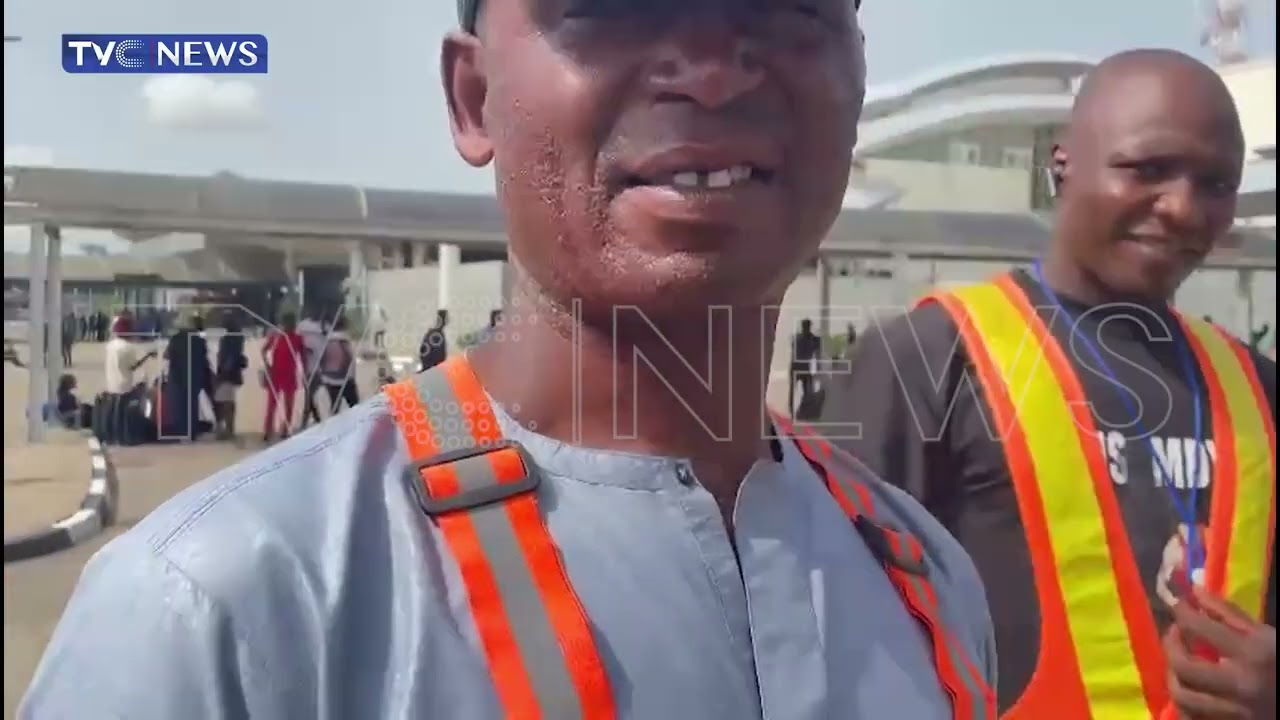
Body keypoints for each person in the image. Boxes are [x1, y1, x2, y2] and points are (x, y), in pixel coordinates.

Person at [22, 2, 998, 718]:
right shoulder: (230, 603)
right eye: (613, 7)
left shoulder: (925, 585)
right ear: (472, 96)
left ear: (856, 77)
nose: (709, 66)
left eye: (783, 3)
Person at [821, 49, 1276, 718]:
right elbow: (822, 625)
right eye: (1147, 169)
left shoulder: (1256, 388)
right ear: (1061, 162)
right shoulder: (930, 358)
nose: (1182, 207)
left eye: (1214, 184)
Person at [261, 312, 305, 442]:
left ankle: (284, 428)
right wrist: (267, 365)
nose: (290, 326)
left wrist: (305, 372)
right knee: (272, 404)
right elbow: (264, 350)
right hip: (277, 373)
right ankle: (269, 430)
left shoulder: (297, 338)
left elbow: (302, 357)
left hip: (288, 374)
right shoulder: (277, 336)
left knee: (287, 404)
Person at [213, 317, 248, 440]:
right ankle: (230, 429)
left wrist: (222, 373)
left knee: (226, 402)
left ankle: (229, 430)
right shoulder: (238, 338)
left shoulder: (229, 339)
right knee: (229, 402)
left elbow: (229, 357)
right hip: (233, 374)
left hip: (227, 374)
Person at [318, 315, 358, 413]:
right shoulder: (344, 340)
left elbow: (321, 360)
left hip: (329, 379)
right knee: (355, 406)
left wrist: (323, 374)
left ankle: (333, 426)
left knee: (334, 406)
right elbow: (348, 359)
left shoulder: (326, 340)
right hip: (345, 379)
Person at [296, 308, 326, 428]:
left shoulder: (322, 328)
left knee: (310, 396)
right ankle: (315, 421)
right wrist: (304, 349)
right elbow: (297, 343)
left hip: (319, 368)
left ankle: (310, 421)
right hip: (307, 368)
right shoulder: (303, 326)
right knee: (310, 395)